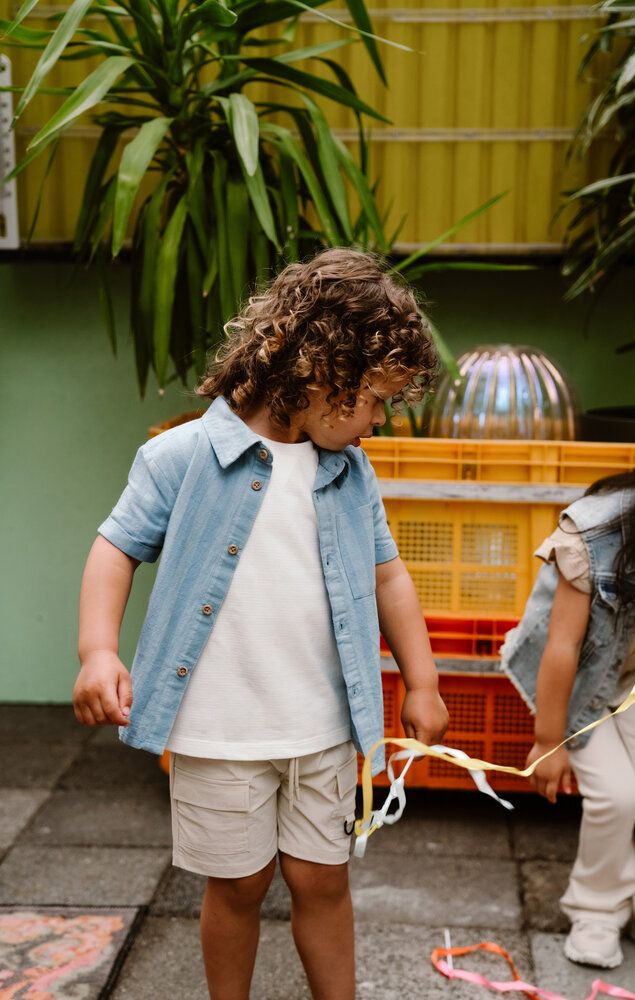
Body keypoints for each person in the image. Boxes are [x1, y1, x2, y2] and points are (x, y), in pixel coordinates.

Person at [73, 247, 449, 1000]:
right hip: (220, 730)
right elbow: (116, 546)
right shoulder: (182, 456)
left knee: (323, 881)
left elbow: (388, 575)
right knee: (238, 888)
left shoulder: (350, 471)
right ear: (320, 373)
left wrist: (424, 678)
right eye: (375, 399)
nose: (378, 421)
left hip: (321, 724)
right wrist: (97, 651)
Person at [501, 423, 635, 983]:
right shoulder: (595, 531)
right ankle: (595, 911)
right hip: (575, 683)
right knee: (616, 796)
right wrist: (550, 740)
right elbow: (562, 649)